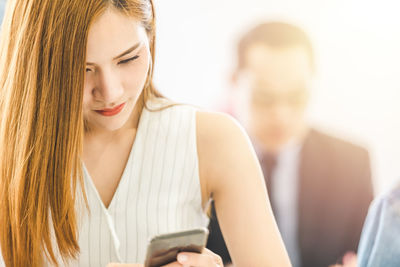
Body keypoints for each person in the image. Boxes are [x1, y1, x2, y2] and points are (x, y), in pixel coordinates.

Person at [0, 1, 292, 267]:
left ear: (150, 40)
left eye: (128, 59)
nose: (111, 92)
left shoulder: (213, 141)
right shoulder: (8, 153)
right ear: (37, 67)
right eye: (83, 69)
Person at [207, 22, 374, 267]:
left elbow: (370, 252)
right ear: (233, 82)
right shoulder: (197, 159)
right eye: (264, 97)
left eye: (296, 97)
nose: (281, 114)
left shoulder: (352, 163)